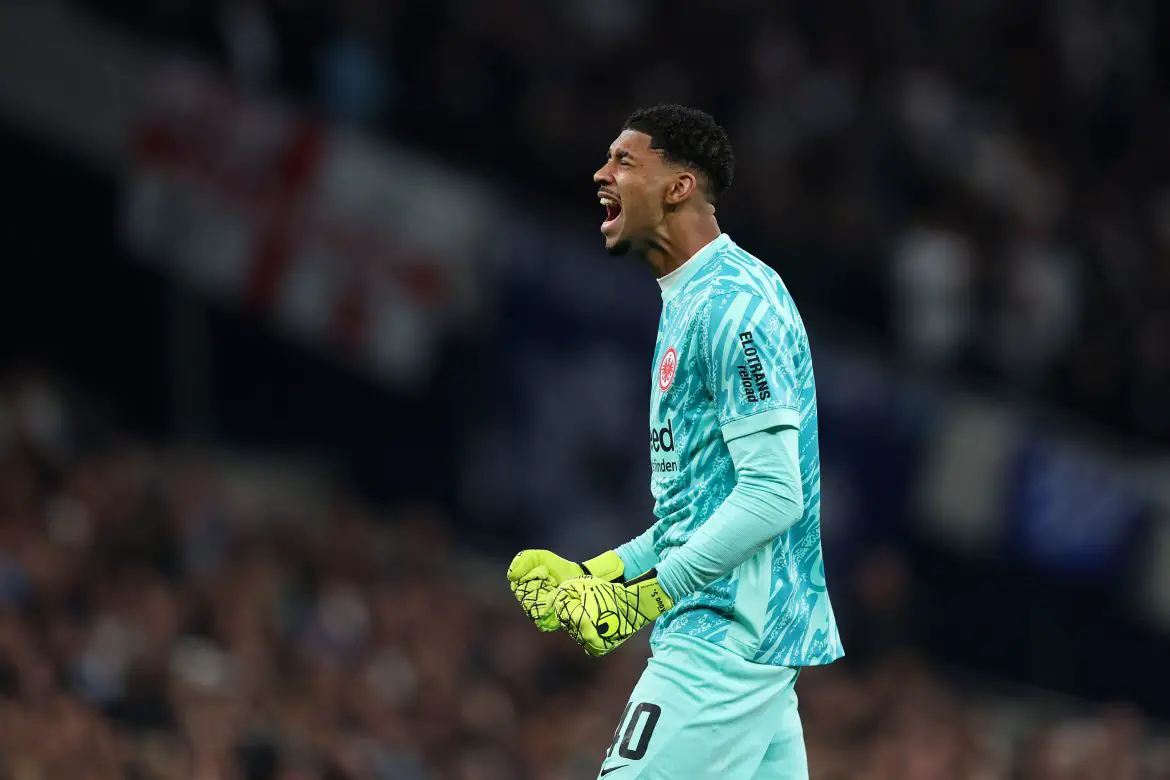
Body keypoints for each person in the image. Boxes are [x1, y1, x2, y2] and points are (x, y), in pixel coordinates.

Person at [507, 104, 842, 779]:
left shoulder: (737, 306)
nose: (601, 174)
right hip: (739, 642)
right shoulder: (687, 301)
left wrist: (646, 598)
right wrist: (600, 574)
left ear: (680, 186)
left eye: (624, 161)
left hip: (723, 641)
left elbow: (776, 496)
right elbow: (694, 519)